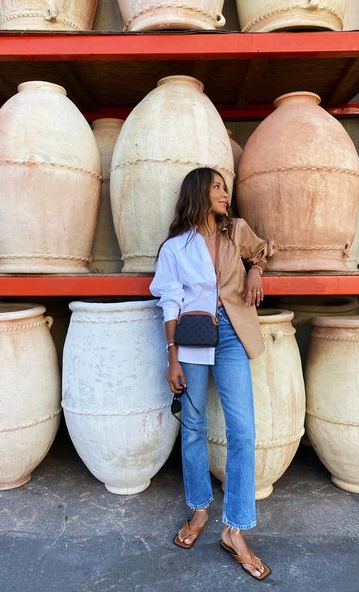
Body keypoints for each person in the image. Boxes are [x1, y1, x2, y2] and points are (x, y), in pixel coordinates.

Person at [149, 167, 271, 581]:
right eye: (216, 186)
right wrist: (172, 357)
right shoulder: (175, 249)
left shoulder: (236, 230)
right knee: (195, 426)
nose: (224, 192)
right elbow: (169, 302)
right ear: (198, 193)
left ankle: (234, 529)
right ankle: (200, 509)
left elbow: (260, 252)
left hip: (234, 333)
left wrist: (255, 270)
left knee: (243, 430)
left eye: (224, 186)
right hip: (194, 337)